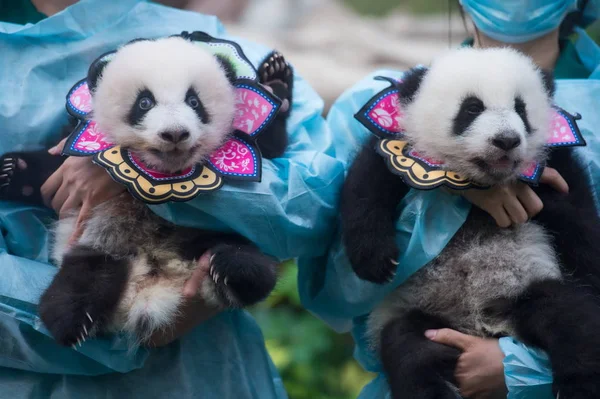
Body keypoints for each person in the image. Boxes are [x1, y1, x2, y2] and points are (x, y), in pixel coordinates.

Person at [0, 0, 344, 397]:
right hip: (46, 356)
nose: (176, 127)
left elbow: (312, 205)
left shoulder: (224, 48)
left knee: (238, 263)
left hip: (207, 369)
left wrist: (128, 173)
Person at [297, 1, 600, 398]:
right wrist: (445, 184)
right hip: (427, 319)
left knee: (571, 323)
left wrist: (520, 368)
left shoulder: (566, 132)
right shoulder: (384, 105)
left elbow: (587, 263)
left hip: (527, 301)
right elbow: (339, 282)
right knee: (405, 349)